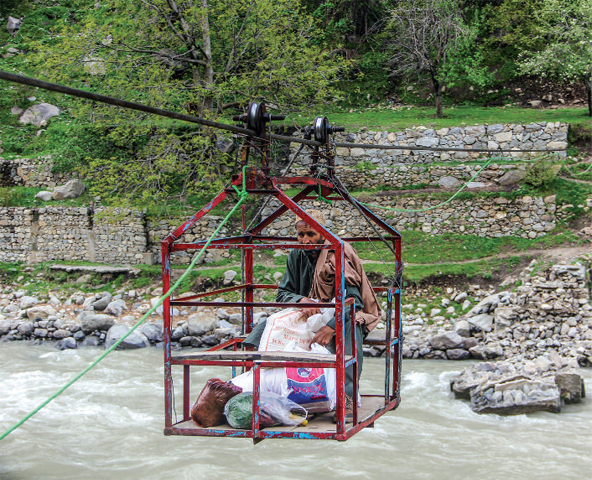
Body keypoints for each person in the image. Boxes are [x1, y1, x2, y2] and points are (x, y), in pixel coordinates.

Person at [243, 209, 382, 421]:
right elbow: (283, 294)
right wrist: (301, 301)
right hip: (308, 311)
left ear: (322, 233)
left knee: (350, 331)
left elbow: (354, 301)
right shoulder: (296, 255)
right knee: (266, 326)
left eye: (311, 234)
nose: (305, 240)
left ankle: (348, 398)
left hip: (343, 313)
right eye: (301, 235)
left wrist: (331, 326)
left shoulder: (338, 253)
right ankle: (252, 384)